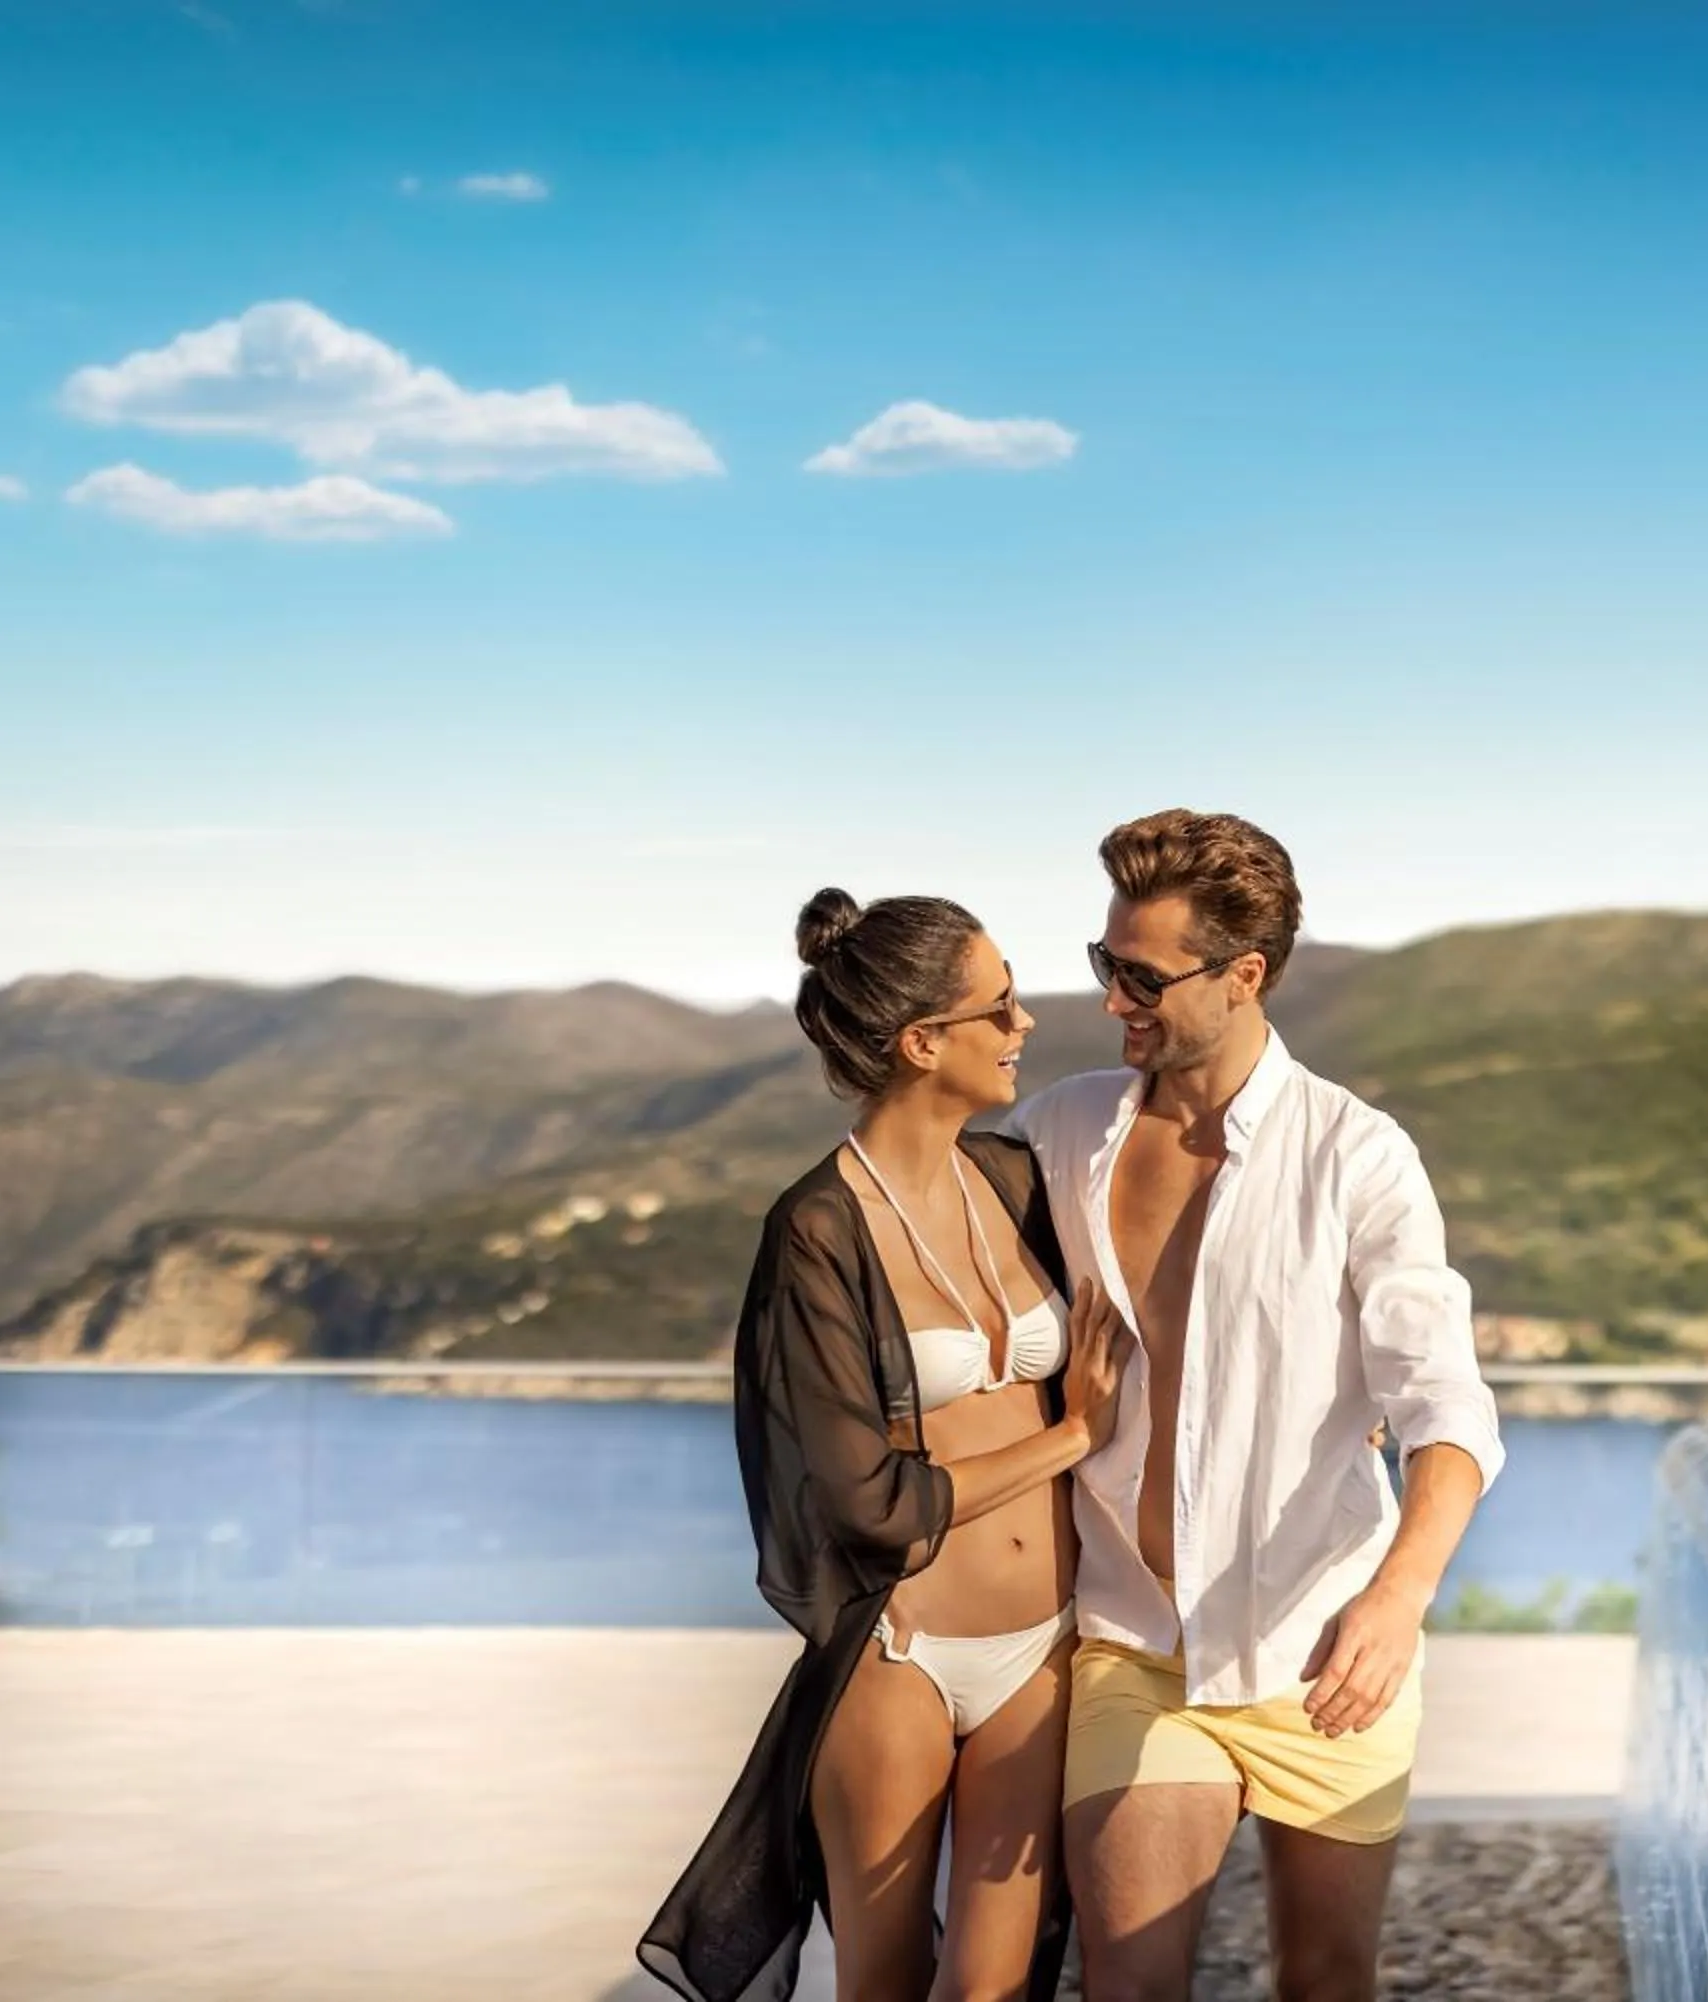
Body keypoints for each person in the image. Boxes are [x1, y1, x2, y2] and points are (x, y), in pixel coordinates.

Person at [1009, 811, 1506, 2002]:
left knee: (1325, 1978)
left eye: (1143, 976)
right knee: (1127, 1979)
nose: (1113, 1000)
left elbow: (1444, 1404)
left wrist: (1397, 1600)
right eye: (1104, 964)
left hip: (1325, 1645)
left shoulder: (1357, 1155)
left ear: (1246, 974)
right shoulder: (1059, 1129)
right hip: (1136, 1641)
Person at [643, 889, 1131, 2002]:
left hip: (1041, 1646)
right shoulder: (818, 1227)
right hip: (899, 1650)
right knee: (885, 1977)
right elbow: (864, 1497)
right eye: (998, 1009)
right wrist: (1072, 1439)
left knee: (993, 1987)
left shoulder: (1014, 1181)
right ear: (923, 1042)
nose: (1025, 1028)